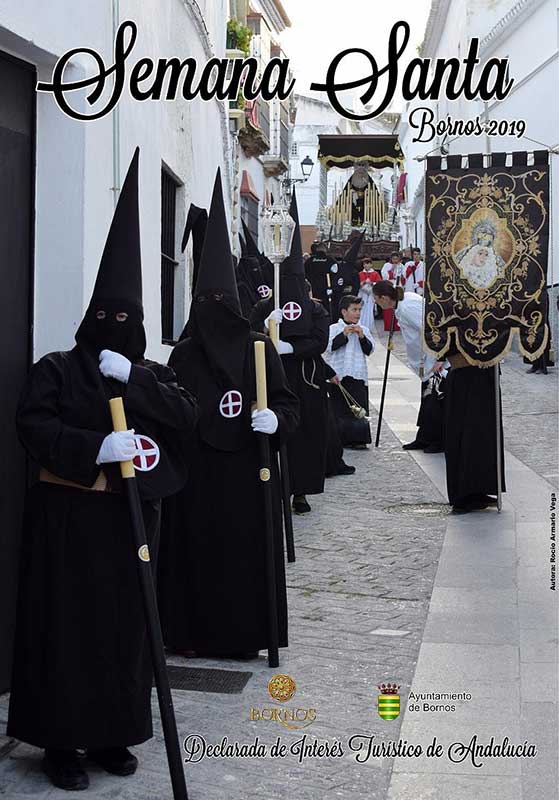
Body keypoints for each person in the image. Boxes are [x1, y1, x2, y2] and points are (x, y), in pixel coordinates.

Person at [7, 149, 198, 791]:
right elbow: (32, 426)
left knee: (123, 633)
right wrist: (94, 448)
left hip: (128, 528)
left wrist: (138, 380)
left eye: (129, 321)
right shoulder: (57, 369)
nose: (117, 329)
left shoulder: (152, 374)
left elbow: (185, 420)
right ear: (91, 319)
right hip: (67, 527)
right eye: (108, 319)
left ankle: (115, 732)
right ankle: (61, 742)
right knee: (66, 633)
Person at [157, 170, 299, 658]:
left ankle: (243, 637)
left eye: (224, 303)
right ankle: (190, 633)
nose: (216, 312)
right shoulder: (184, 356)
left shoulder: (259, 349)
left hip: (245, 476)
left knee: (241, 557)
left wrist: (275, 421)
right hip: (196, 479)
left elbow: (287, 405)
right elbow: (170, 410)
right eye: (208, 303)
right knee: (196, 556)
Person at [252, 191, 329, 515]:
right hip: (273, 378)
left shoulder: (317, 310)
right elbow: (249, 332)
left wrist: (291, 346)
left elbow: (319, 341)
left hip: (306, 381)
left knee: (304, 437)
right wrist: (266, 326)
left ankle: (300, 491)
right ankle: (273, 488)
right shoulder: (267, 305)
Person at [373, 281, 446, 453]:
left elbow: (431, 328)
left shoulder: (407, 307)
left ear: (384, 298)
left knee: (433, 402)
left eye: (377, 299)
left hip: (432, 359)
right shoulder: (402, 304)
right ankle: (424, 437)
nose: (376, 303)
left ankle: (438, 440)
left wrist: (441, 357)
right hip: (423, 360)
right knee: (426, 399)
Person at [325, 295, 375, 449]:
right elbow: (329, 347)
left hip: (357, 374)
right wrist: (344, 334)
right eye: (354, 310)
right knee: (339, 407)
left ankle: (358, 439)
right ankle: (339, 439)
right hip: (338, 374)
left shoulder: (364, 329)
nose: (358, 313)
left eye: (359, 310)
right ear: (344, 312)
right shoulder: (334, 328)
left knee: (357, 407)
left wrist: (361, 336)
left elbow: (369, 350)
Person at [331, 234, 364, 313]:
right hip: (340, 296)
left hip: (349, 296)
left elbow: (356, 286)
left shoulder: (354, 271)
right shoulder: (339, 267)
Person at [305, 242, 337, 319]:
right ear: (326, 250)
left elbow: (304, 274)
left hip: (312, 290)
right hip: (326, 289)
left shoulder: (309, 260)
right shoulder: (330, 260)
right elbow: (336, 273)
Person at [380, 252, 405, 331]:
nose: (395, 260)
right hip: (389, 285)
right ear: (391, 259)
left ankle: (397, 325)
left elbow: (404, 276)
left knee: (397, 305)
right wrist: (391, 269)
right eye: (393, 258)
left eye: (396, 259)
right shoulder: (387, 265)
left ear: (399, 259)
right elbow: (384, 276)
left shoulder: (401, 266)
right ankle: (388, 326)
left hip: (398, 286)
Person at [358, 256, 381, 333]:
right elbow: (357, 283)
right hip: (362, 294)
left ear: (371, 264)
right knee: (362, 310)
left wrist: (372, 283)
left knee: (369, 311)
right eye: (364, 264)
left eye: (368, 264)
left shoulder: (375, 273)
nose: (366, 266)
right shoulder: (360, 273)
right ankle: (361, 325)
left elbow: (379, 283)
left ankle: (369, 326)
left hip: (371, 294)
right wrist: (363, 282)